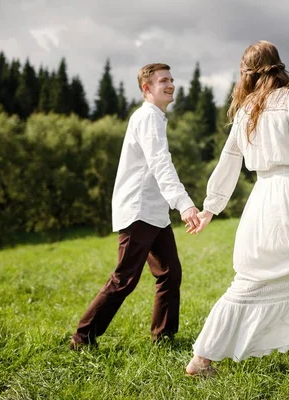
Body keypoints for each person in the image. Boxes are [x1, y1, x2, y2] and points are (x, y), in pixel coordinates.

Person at [185, 41, 289, 376]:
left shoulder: (244, 109)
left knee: (249, 283)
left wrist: (210, 208)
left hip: (260, 201)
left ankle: (201, 360)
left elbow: (228, 162)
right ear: (277, 66)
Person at [70, 63, 200, 350]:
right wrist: (185, 204)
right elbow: (160, 164)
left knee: (169, 273)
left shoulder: (154, 118)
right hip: (139, 209)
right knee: (124, 278)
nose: (171, 85)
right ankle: (82, 338)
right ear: (146, 88)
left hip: (154, 212)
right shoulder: (148, 118)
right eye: (163, 80)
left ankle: (163, 338)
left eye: (171, 80)